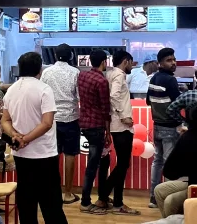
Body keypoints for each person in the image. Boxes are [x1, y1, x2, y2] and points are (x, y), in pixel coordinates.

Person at [3, 51, 83, 224]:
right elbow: (47, 122)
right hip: (44, 155)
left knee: (26, 201)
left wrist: (16, 137)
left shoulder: (11, 90)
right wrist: (27, 138)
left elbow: (5, 120)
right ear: (40, 69)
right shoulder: (43, 89)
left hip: (21, 155)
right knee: (51, 203)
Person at [41, 44, 81, 204]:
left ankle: (52, 191)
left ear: (55, 56)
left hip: (51, 119)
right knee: (70, 155)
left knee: (52, 155)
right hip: (71, 118)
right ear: (71, 56)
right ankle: (68, 193)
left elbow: (41, 93)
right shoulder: (75, 72)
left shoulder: (47, 72)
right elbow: (79, 96)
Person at [103, 49, 140, 215]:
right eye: (131, 62)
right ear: (126, 61)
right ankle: (110, 198)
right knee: (123, 164)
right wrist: (124, 115)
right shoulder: (119, 75)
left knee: (123, 164)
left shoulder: (110, 74)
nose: (132, 66)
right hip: (121, 126)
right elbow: (113, 96)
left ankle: (111, 199)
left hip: (116, 125)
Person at [78, 49, 112, 214]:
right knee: (93, 165)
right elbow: (105, 109)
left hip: (84, 123)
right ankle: (85, 202)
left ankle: (102, 196)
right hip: (97, 126)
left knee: (103, 160)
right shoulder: (101, 81)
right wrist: (108, 131)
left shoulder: (82, 76)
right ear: (104, 62)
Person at [147, 47, 182, 207]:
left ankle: (153, 198)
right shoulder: (170, 80)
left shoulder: (154, 78)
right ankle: (167, 200)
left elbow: (148, 101)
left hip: (157, 126)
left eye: (174, 59)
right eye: (169, 60)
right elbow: (177, 104)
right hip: (169, 127)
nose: (173, 63)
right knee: (169, 164)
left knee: (157, 161)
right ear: (160, 63)